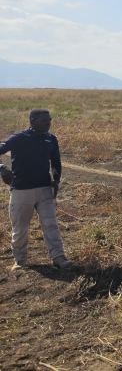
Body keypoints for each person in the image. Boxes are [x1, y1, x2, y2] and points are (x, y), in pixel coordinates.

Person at [0, 110, 72, 270]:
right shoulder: (18, 138)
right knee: (20, 228)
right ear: (32, 121)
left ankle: (58, 257)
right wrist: (2, 168)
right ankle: (20, 261)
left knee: (50, 223)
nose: (48, 124)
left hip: (45, 189)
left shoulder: (50, 139)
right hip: (21, 190)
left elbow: (55, 161)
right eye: (44, 121)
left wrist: (56, 180)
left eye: (50, 121)